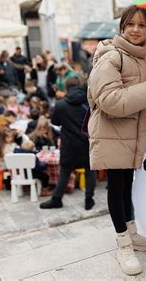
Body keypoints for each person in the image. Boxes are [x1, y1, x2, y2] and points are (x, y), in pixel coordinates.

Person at [86, 5, 146, 276]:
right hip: (112, 133)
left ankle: (131, 233)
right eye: (130, 24)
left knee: (127, 186)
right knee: (116, 186)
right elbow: (109, 101)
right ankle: (122, 243)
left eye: (141, 25)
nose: (135, 29)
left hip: (133, 135)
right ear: (122, 27)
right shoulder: (111, 58)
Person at [40, 77, 96, 210]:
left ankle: (57, 199)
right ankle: (89, 199)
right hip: (87, 142)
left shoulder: (60, 104)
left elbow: (55, 122)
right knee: (90, 170)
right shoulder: (89, 102)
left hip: (69, 144)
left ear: (66, 88)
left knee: (65, 171)